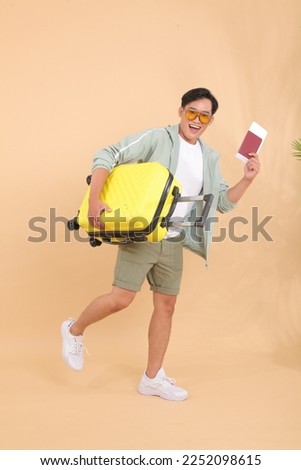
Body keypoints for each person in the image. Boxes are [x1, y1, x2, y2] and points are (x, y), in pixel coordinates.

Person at [61, 87, 260, 401]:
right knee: (121, 299)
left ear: (210, 121)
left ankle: (152, 378)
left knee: (166, 307)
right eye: (191, 112)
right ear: (180, 111)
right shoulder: (157, 138)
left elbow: (220, 202)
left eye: (204, 116)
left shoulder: (209, 157)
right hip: (144, 234)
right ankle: (74, 329)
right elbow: (107, 154)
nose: (196, 120)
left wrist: (247, 179)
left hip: (175, 239)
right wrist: (95, 200)